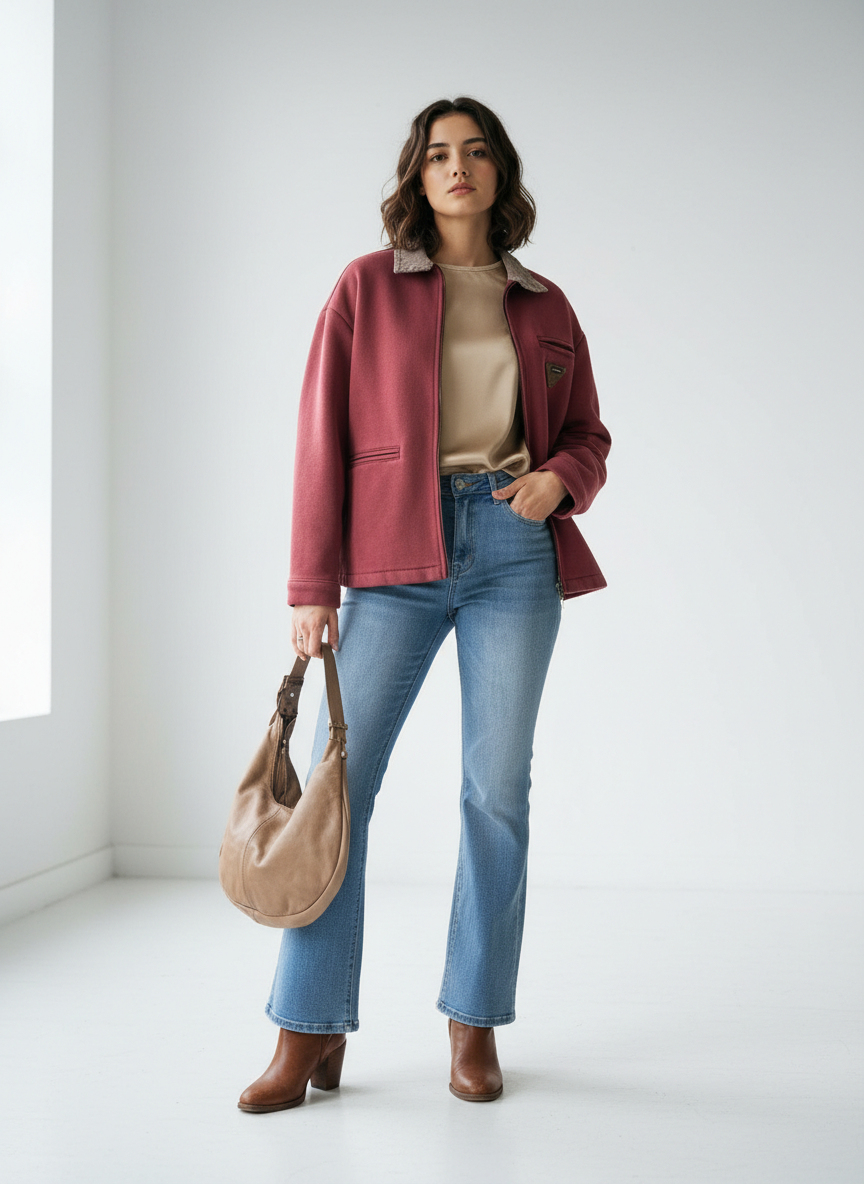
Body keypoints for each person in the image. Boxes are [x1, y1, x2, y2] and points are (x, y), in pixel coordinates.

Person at [238, 95, 611, 1113]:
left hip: (513, 553)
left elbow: (588, 432)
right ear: (418, 173)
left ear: (500, 174)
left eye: (476, 151)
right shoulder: (366, 287)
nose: (458, 167)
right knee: (339, 790)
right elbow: (320, 437)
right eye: (440, 153)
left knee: (496, 792)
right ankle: (307, 1026)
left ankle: (473, 1020)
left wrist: (559, 479)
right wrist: (310, 585)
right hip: (392, 558)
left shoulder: (544, 303)